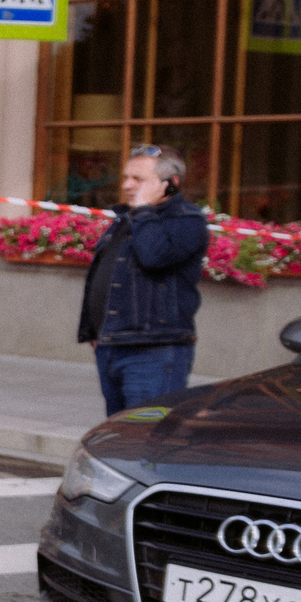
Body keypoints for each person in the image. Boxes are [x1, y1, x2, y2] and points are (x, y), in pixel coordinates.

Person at [78, 144, 208, 416]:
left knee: (144, 439)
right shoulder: (128, 218)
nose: (126, 185)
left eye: (137, 179)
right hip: (112, 345)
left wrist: (145, 210)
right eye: (125, 177)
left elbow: (154, 256)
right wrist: (94, 331)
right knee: (118, 437)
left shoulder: (187, 220)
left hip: (153, 352)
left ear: (169, 185)